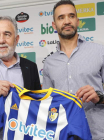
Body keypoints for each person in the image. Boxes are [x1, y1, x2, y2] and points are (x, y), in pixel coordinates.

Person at [43, 0, 104, 140]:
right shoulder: (49, 63)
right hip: (62, 135)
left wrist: (99, 97)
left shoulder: (99, 52)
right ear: (54, 25)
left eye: (71, 16)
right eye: (61, 17)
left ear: (77, 21)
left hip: (96, 135)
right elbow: (46, 105)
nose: (66, 21)